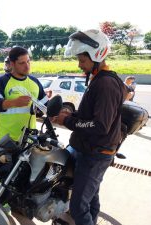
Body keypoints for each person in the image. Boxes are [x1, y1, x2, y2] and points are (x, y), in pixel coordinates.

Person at [51, 29, 127, 225]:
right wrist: (71, 115)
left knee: (77, 208)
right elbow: (91, 115)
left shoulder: (106, 84)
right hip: (87, 148)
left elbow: (100, 125)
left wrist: (67, 121)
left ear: (97, 55)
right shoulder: (99, 78)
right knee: (90, 198)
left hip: (95, 153)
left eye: (82, 60)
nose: (79, 65)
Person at [0, 46, 48, 142]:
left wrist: (42, 111)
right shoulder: (2, 81)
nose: (27, 66)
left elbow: (45, 106)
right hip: (7, 141)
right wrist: (14, 102)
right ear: (12, 64)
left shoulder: (35, 82)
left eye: (28, 61)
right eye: (22, 63)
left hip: (29, 140)